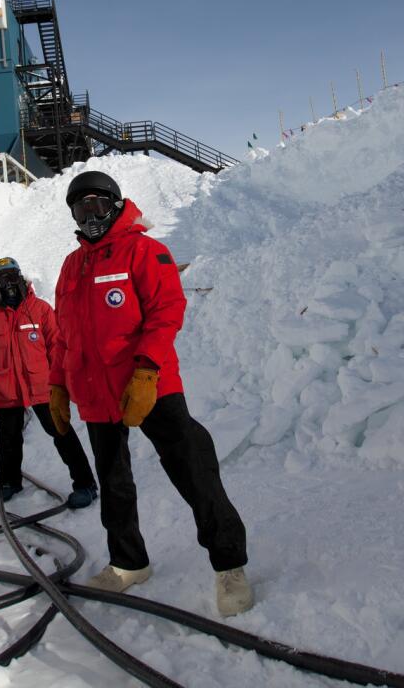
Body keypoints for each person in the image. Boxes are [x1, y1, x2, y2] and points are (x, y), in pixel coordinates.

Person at [50, 170, 254, 617]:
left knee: (193, 469)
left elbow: (167, 311)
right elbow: (64, 335)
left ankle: (229, 565)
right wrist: (57, 384)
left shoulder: (144, 250)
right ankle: (129, 562)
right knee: (114, 482)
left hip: (150, 386)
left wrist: (146, 371)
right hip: (95, 395)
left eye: (98, 206)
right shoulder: (71, 265)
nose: (91, 217)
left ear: (117, 205)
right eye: (81, 209)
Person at [0, 257, 98, 509]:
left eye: (12, 276)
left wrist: (63, 383)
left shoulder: (40, 309)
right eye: (2, 277)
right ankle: (9, 482)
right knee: (8, 439)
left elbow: (58, 347)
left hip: (43, 387)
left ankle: (85, 483)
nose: (8, 282)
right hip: (6, 389)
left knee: (61, 432)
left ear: (21, 277)